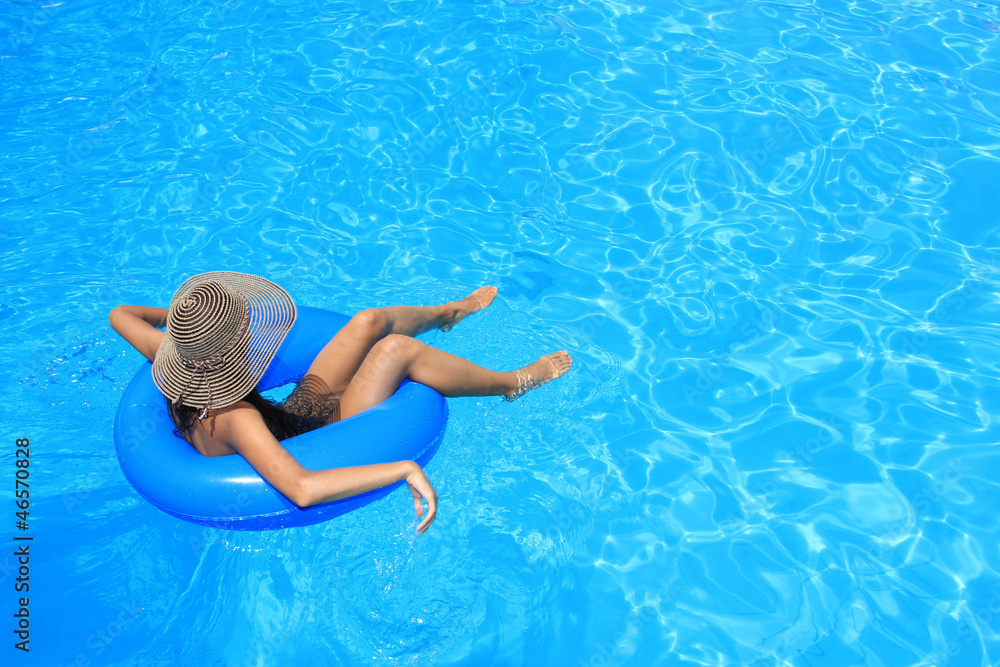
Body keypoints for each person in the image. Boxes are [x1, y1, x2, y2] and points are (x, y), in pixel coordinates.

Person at [109, 271, 572, 534]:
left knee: (368, 322)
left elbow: (120, 314)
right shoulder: (235, 417)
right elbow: (303, 490)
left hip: (293, 419)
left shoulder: (176, 367)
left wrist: (197, 327)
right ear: (228, 354)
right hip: (321, 437)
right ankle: (513, 382)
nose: (254, 332)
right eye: (245, 330)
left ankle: (449, 313)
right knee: (396, 351)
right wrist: (405, 469)